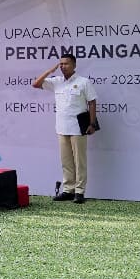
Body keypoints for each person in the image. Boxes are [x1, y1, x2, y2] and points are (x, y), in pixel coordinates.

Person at [31, 53, 99, 203]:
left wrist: (92, 123)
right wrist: (50, 71)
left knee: (79, 161)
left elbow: (92, 102)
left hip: (78, 128)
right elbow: (35, 84)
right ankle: (68, 190)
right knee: (66, 161)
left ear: (74, 65)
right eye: (60, 64)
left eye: (66, 63)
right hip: (62, 127)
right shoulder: (56, 81)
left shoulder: (83, 82)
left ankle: (79, 192)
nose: (62, 66)